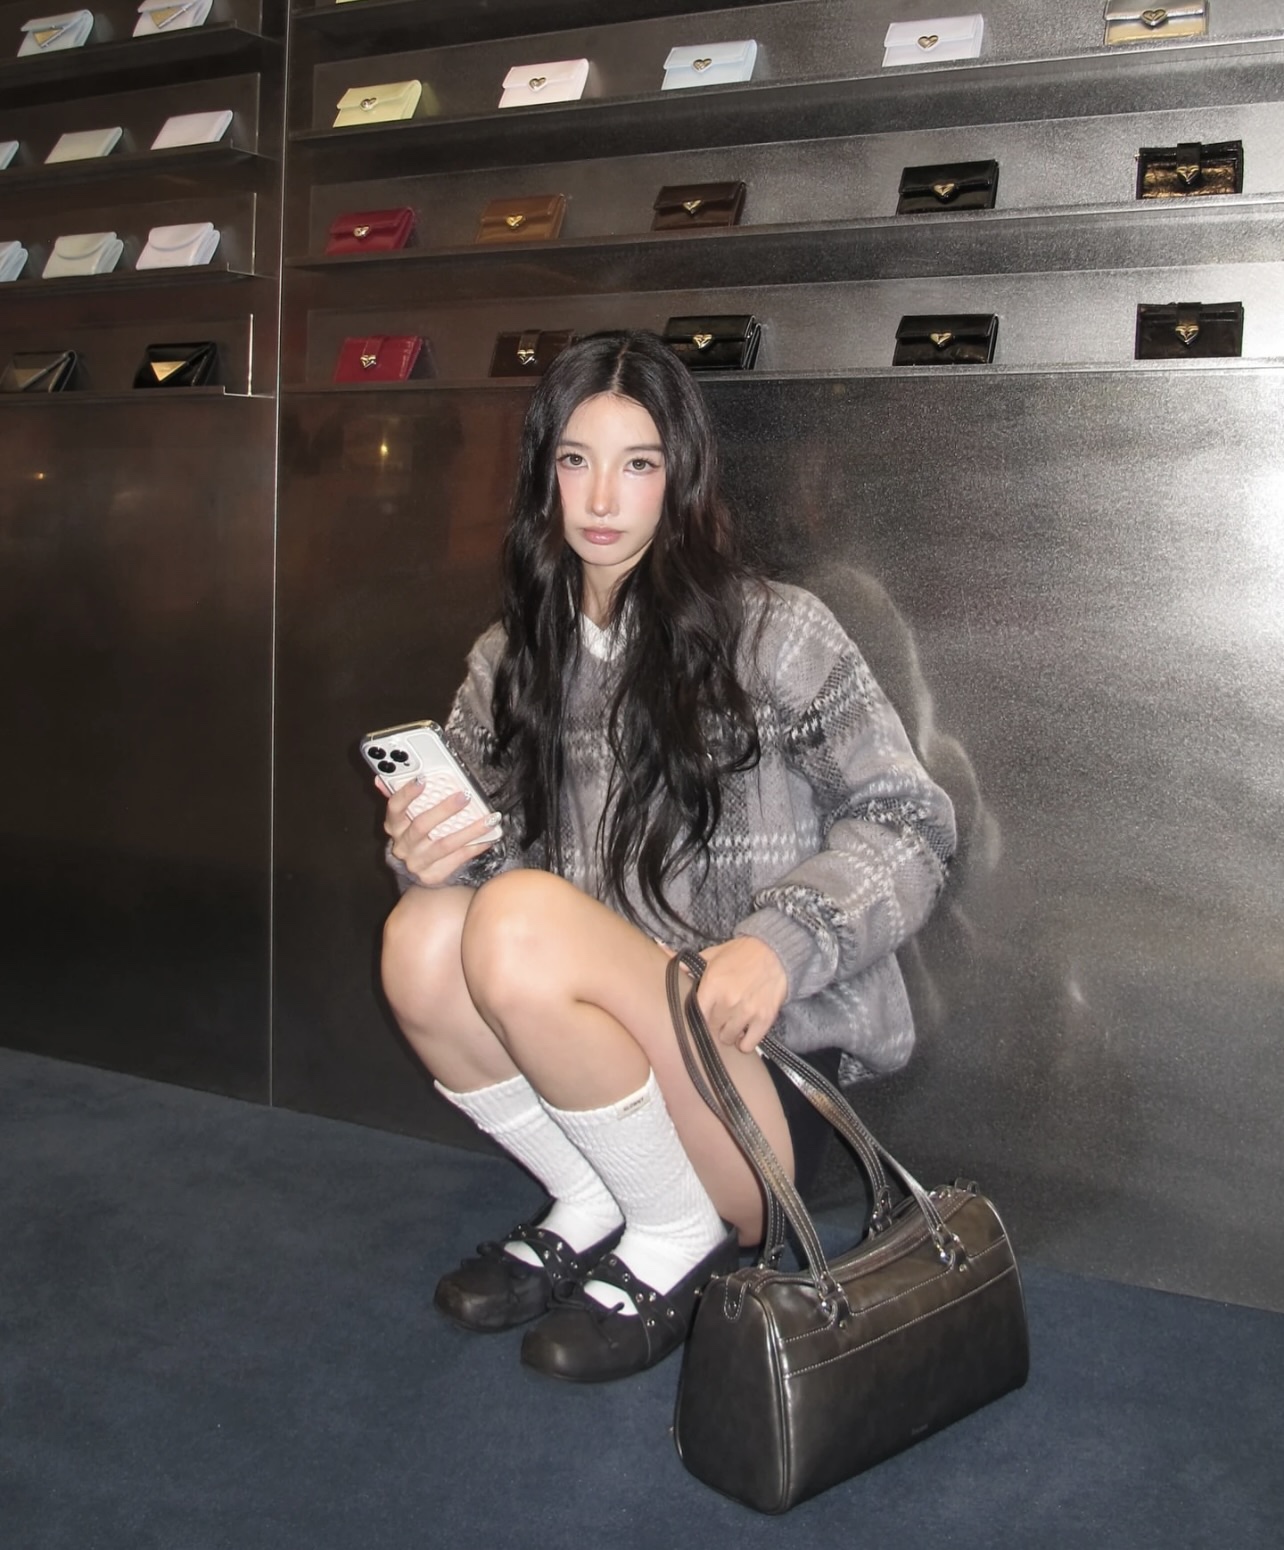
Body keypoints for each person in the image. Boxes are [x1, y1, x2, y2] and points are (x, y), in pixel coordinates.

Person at [377, 330, 956, 1384]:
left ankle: (682, 1231)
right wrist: (432, 853)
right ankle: (598, 1198)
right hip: (612, 1071)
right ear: (545, 473)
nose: (602, 497)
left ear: (680, 477)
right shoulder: (512, 659)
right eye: (576, 459)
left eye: (637, 463)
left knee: (515, 918)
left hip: (754, 1074)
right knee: (421, 933)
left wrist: (781, 943)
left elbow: (911, 821)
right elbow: (487, 887)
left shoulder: (776, 633)